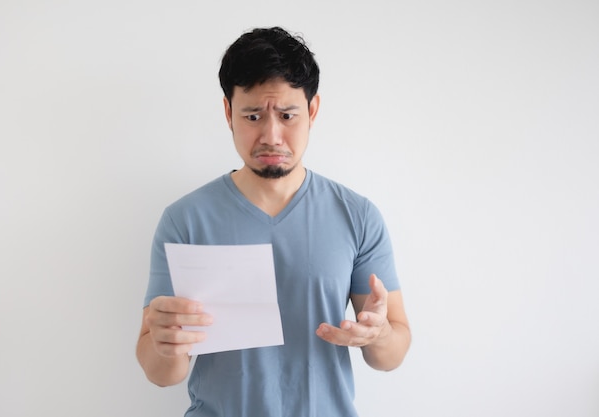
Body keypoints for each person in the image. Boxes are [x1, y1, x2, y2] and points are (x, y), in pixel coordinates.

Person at [136, 26, 411, 416]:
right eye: (252, 115)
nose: (271, 135)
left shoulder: (357, 215)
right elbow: (162, 372)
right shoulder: (186, 219)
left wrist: (379, 334)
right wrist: (164, 343)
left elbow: (391, 353)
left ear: (312, 111)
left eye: (287, 115)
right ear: (229, 112)